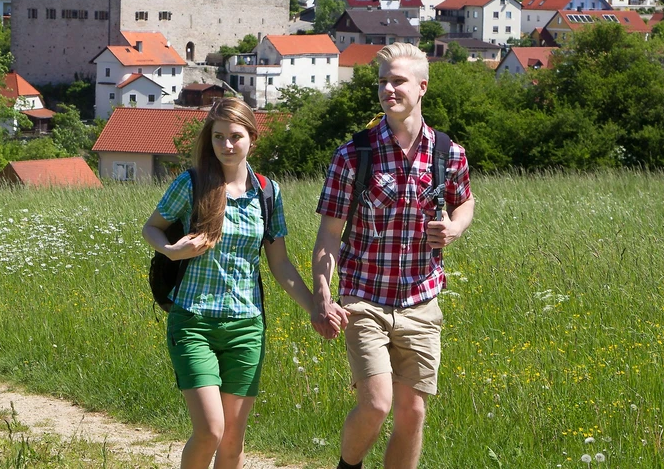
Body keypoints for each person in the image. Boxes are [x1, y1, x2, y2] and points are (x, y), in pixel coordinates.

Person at [142, 98, 345, 469]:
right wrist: (171, 250)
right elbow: (151, 228)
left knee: (233, 440)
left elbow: (279, 263)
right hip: (193, 321)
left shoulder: (268, 192)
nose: (226, 145)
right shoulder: (191, 184)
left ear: (252, 137)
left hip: (246, 327)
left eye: (235, 136)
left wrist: (316, 306)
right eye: (218, 137)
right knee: (210, 431)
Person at [310, 43, 475, 469]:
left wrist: (454, 228)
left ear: (422, 86)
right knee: (378, 404)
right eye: (382, 81)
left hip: (422, 300)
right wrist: (323, 294)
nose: (388, 89)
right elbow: (330, 234)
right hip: (364, 299)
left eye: (397, 80)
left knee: (413, 412)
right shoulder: (354, 154)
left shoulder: (447, 153)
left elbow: (465, 203)